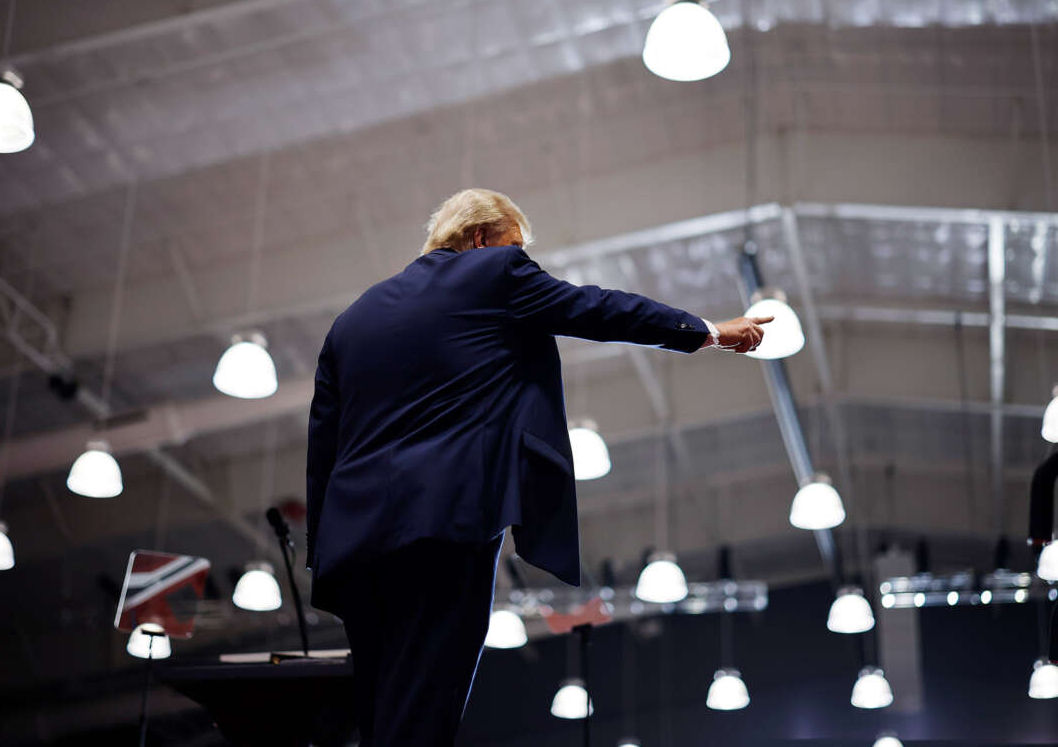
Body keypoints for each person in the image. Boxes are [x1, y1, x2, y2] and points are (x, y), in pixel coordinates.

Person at [305, 188, 771, 745]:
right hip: (444, 525)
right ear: (480, 240)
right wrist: (708, 332)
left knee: (380, 706)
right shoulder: (493, 271)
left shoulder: (352, 322)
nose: (524, 261)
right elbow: (595, 308)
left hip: (356, 545)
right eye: (516, 246)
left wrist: (322, 548)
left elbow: (323, 447)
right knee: (428, 701)